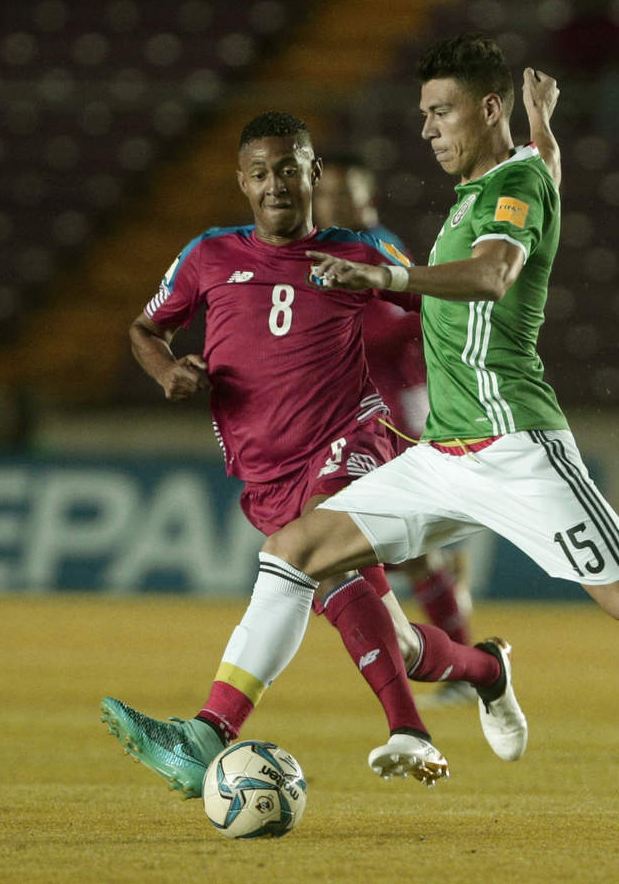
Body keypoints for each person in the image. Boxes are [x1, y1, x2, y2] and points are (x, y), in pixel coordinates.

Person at [111, 33, 619, 793]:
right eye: (424, 113)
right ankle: (208, 732)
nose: (427, 129)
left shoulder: (511, 188)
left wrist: (389, 279)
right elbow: (546, 174)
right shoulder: (502, 180)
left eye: (441, 111)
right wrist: (543, 128)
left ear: (487, 108)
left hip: (515, 444)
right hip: (444, 454)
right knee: (293, 551)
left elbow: (495, 274)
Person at [102, 111, 527, 799]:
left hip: (351, 439)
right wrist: (166, 370)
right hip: (265, 473)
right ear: (242, 182)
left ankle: (239, 729)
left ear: (313, 174)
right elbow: (145, 328)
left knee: (317, 551)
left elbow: (442, 311)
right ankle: (485, 669)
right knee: (396, 640)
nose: (275, 184)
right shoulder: (209, 255)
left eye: (288, 170)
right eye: (261, 173)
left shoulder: (359, 252)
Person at [314, 151, 478, 708]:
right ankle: (456, 662)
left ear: (369, 199)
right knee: (386, 552)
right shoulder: (321, 254)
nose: (335, 202)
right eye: (327, 193)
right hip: (352, 420)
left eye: (346, 192)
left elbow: (416, 317)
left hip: (398, 419)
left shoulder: (380, 250)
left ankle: (459, 665)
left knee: (385, 550)